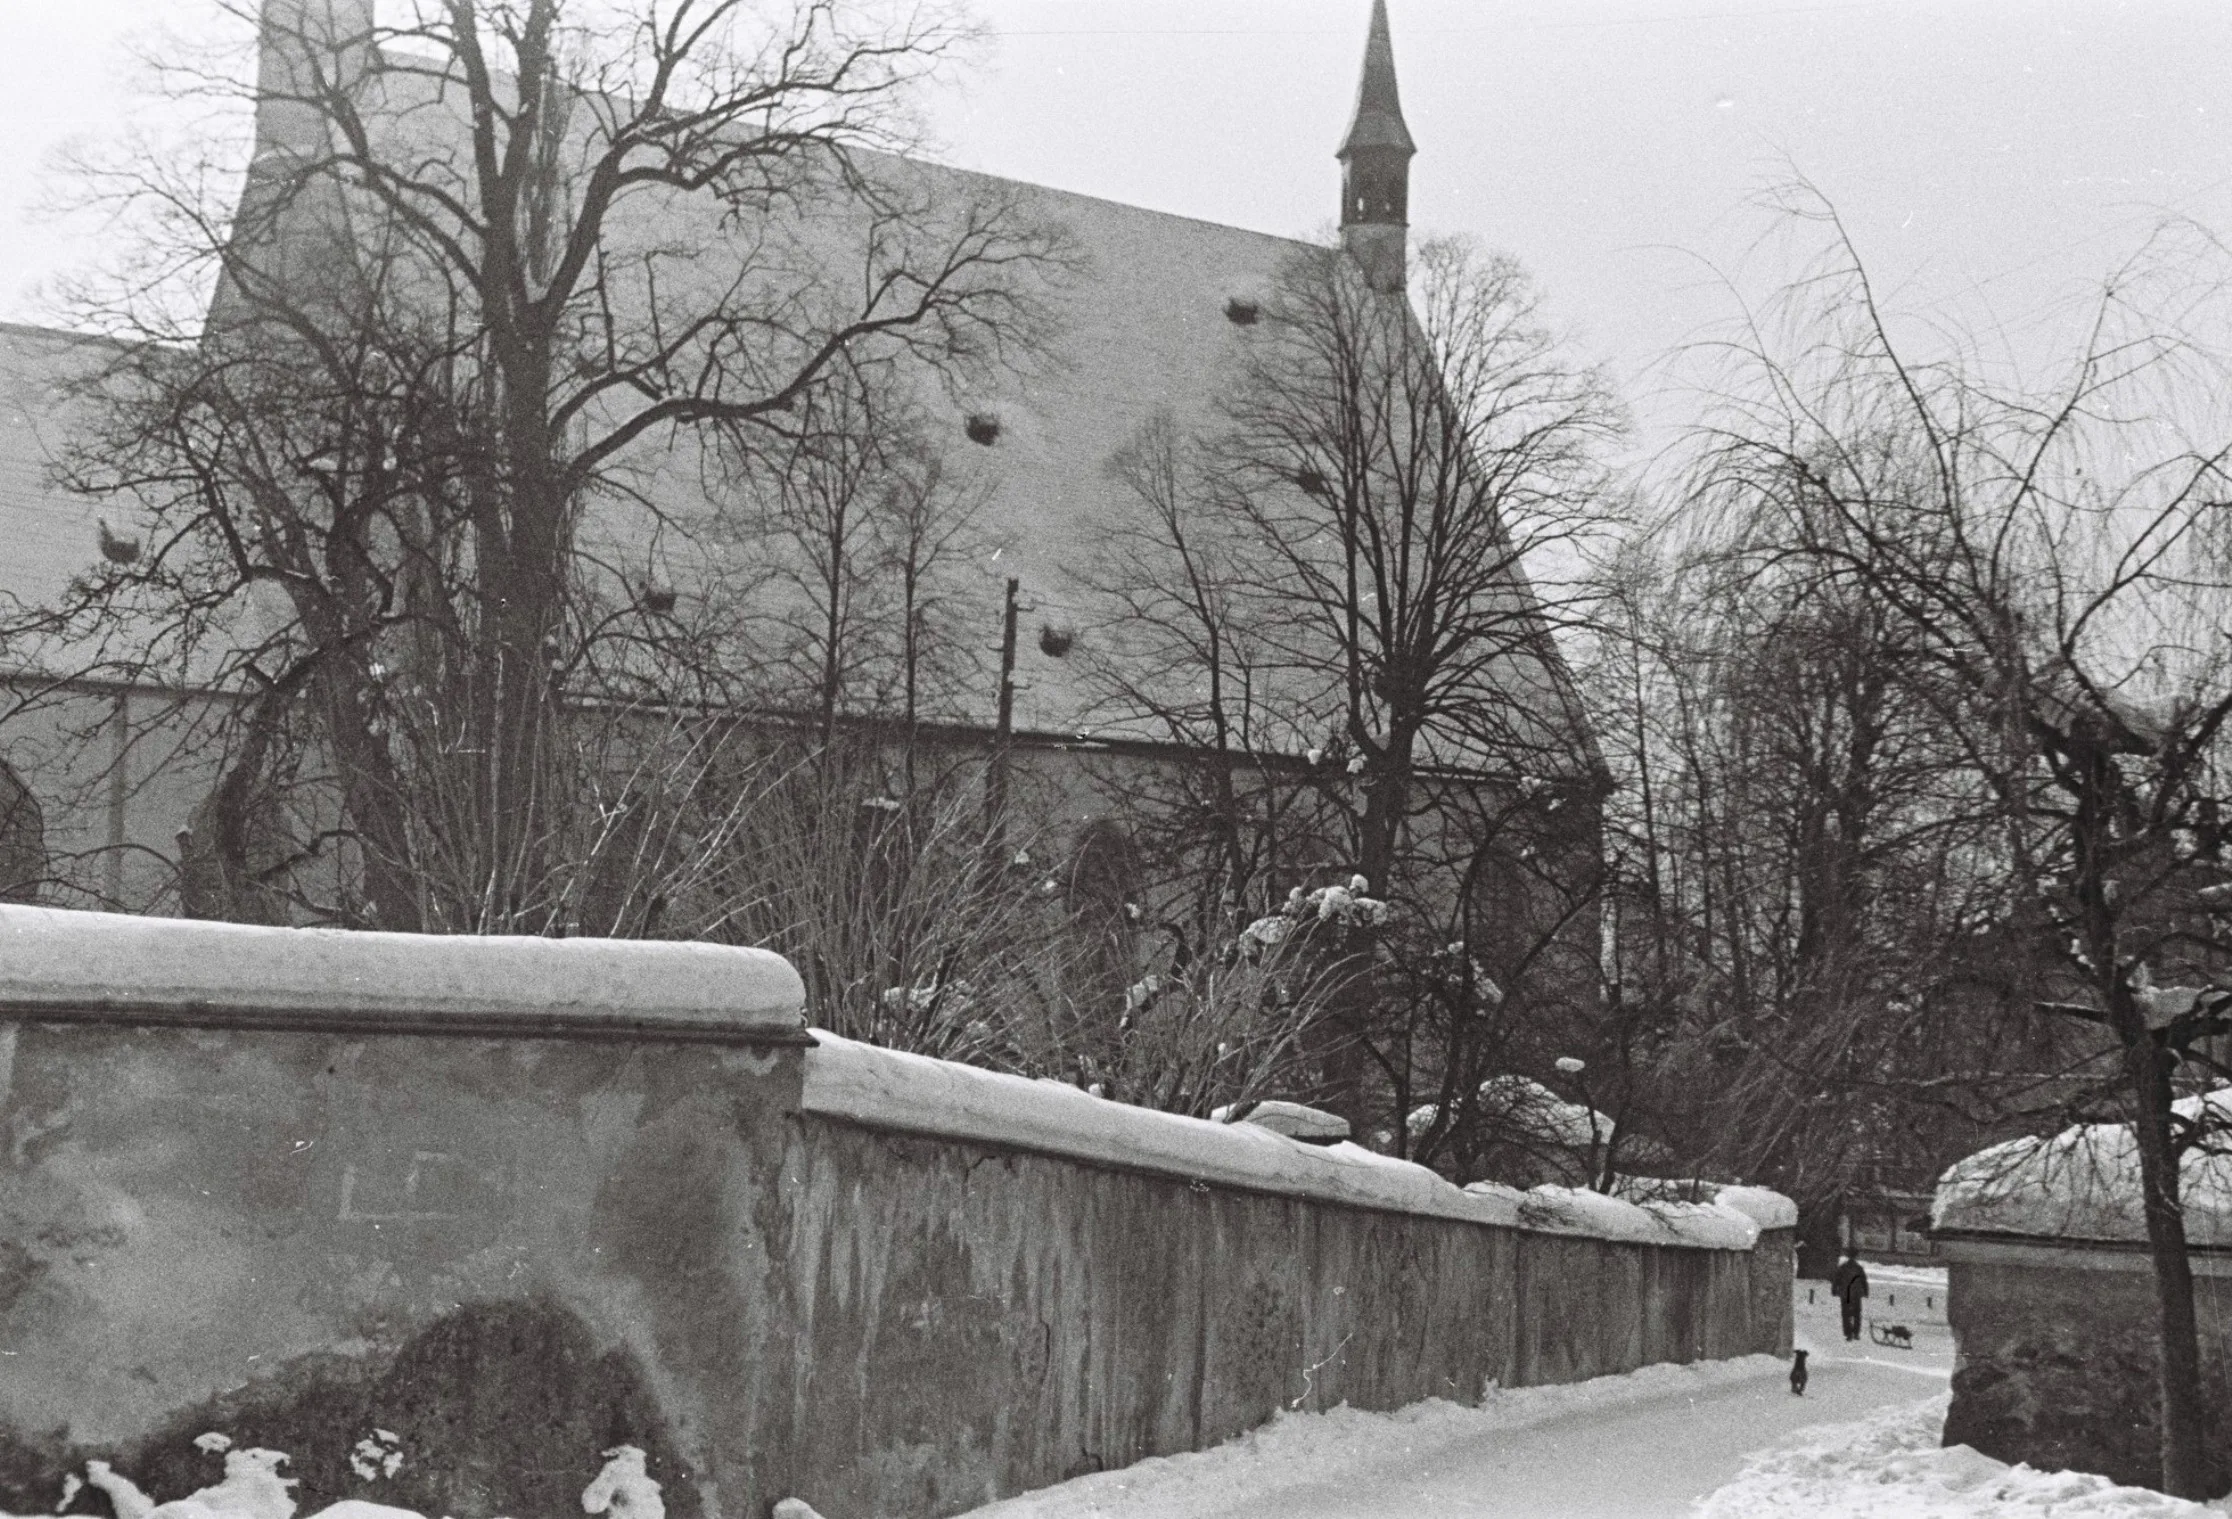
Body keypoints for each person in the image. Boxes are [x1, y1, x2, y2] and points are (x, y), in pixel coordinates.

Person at [1831, 1246, 1869, 1342]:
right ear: (1856, 1256)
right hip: (1856, 1294)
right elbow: (1864, 1280)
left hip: (1845, 1293)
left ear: (1848, 1255)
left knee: (1845, 1314)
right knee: (1857, 1314)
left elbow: (1836, 1280)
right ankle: (1856, 1333)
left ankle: (1848, 1333)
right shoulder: (1859, 1268)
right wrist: (1865, 1291)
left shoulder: (1843, 1267)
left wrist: (1834, 1290)